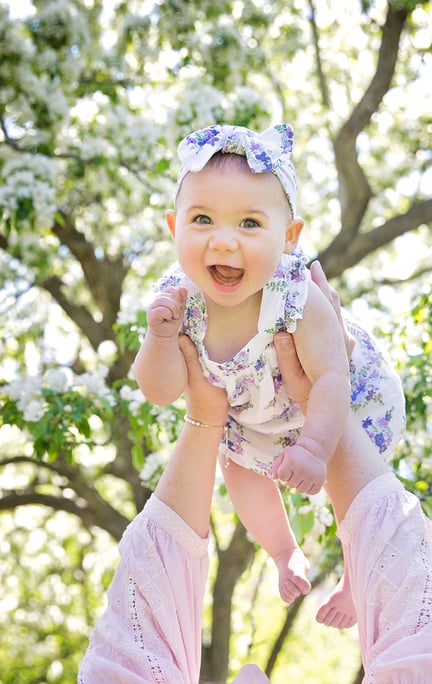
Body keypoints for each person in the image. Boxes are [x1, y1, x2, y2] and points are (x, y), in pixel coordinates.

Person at [77, 265, 432, 684]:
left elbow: (137, 630)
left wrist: (207, 417)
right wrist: (320, 395)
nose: (251, 670)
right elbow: (417, 603)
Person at [133, 122, 405, 628]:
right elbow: (161, 389)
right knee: (234, 464)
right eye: (203, 219)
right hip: (252, 420)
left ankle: (353, 574)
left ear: (290, 237)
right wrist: (161, 339)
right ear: (175, 228)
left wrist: (315, 448)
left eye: (250, 224)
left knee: (348, 482)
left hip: (335, 409)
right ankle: (283, 551)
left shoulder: (294, 294)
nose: (223, 241)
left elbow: (329, 376)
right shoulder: (178, 299)